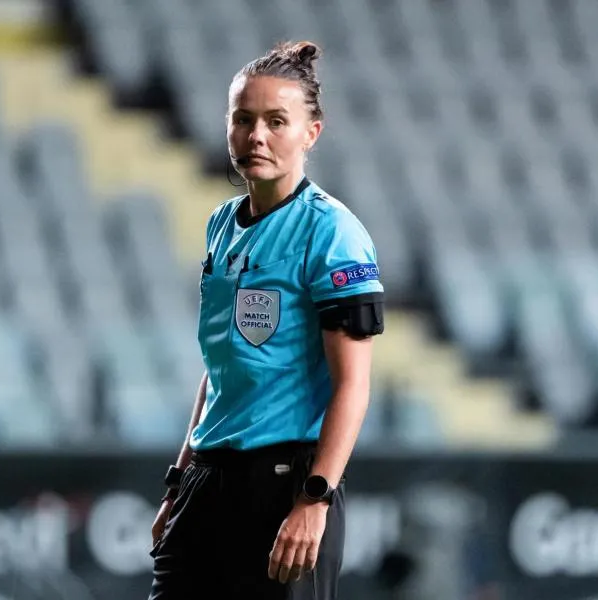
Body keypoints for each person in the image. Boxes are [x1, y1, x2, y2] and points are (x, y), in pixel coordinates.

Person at [147, 40, 385, 600]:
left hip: (285, 487)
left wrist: (314, 498)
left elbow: (353, 383)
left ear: (312, 132)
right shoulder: (220, 226)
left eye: (277, 121)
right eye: (243, 119)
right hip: (208, 483)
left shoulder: (333, 233)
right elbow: (221, 369)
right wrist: (179, 482)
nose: (257, 135)